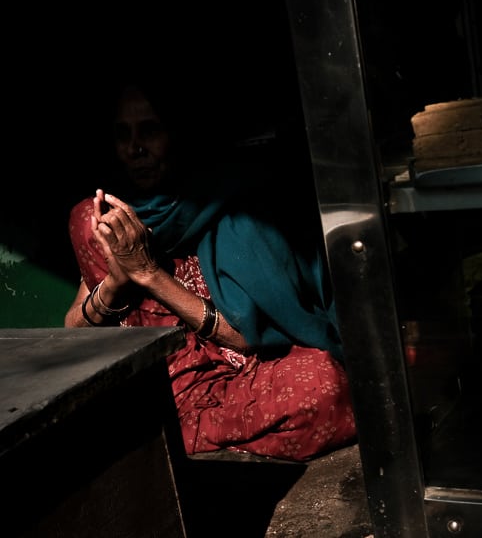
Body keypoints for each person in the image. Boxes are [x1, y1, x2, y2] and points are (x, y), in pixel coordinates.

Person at [64, 76, 357, 461]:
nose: (135, 148)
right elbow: (73, 328)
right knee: (86, 216)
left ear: (178, 134)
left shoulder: (228, 202)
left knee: (330, 382)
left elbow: (247, 337)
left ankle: (171, 442)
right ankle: (169, 435)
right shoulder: (109, 217)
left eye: (149, 130)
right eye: (123, 134)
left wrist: (151, 275)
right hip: (157, 389)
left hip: (241, 371)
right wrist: (116, 285)